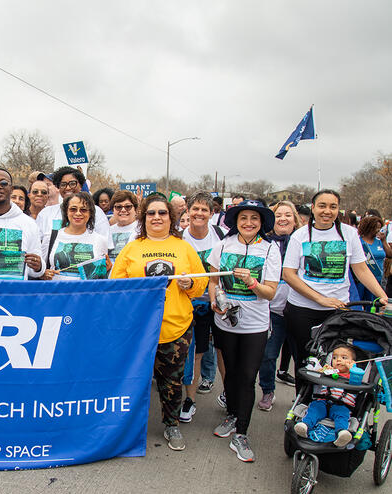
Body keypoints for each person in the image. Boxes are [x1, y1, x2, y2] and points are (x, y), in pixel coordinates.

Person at [111, 195, 207, 451]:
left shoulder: (184, 248)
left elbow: (200, 285)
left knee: (172, 381)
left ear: (170, 217)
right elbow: (116, 286)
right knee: (133, 379)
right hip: (138, 329)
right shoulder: (132, 249)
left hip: (176, 327)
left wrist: (190, 284)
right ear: (143, 218)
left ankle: (171, 424)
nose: (156, 217)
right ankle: (127, 426)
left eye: (162, 213)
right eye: (151, 213)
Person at [283, 190, 388, 394]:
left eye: (332, 206)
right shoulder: (300, 235)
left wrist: (381, 295)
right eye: (322, 206)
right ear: (313, 208)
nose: (327, 211)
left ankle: (330, 404)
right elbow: (289, 274)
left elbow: (361, 269)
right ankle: (302, 407)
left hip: (338, 310)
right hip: (303, 310)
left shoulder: (349, 233)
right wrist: (320, 299)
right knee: (307, 363)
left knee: (336, 362)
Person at [208, 199, 281, 462]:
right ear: (235, 221)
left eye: (254, 218)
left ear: (262, 223)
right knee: (229, 371)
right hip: (225, 322)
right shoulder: (222, 245)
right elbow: (213, 279)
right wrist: (215, 301)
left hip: (255, 325)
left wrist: (251, 282)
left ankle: (242, 433)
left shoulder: (271, 250)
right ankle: (232, 414)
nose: (249, 223)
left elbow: (270, 292)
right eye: (243, 218)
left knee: (248, 376)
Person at [180, 192, 225, 421]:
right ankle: (190, 400)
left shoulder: (220, 236)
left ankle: (230, 395)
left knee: (222, 350)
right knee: (194, 354)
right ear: (188, 211)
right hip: (189, 304)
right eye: (195, 209)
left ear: (211, 213)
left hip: (216, 302)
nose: (199, 213)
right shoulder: (179, 238)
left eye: (204, 210)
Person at [256, 201, 302, 411]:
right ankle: (267, 390)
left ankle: (303, 398)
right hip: (273, 310)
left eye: (288, 215)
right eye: (279, 215)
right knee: (268, 355)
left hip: (299, 310)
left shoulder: (303, 241)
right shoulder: (264, 244)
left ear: (295, 219)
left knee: (303, 357)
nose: (283, 219)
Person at [294, 344, 357, 447]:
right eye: (335, 357)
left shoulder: (353, 376)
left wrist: (353, 370)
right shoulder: (328, 371)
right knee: (314, 409)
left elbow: (357, 383)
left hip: (341, 405)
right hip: (323, 401)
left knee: (341, 415)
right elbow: (316, 377)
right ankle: (305, 425)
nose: (338, 360)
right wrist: (321, 372)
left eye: (344, 358)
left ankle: (341, 433)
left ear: (352, 362)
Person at [41, 192, 111, 279]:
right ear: (66, 212)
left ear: (90, 213)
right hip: (57, 291)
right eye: (73, 209)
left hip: (86, 291)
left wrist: (107, 270)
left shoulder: (100, 240)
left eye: (83, 210)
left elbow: (100, 276)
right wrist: (44, 273)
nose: (78, 213)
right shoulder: (51, 237)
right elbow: (41, 269)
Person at [36, 167, 110, 242]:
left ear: (81, 185)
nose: (68, 188)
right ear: (58, 187)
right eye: (63, 184)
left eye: (72, 184)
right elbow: (37, 244)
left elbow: (104, 242)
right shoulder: (46, 214)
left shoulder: (96, 212)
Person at [354, 215, 392, 302]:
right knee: (360, 301)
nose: (378, 230)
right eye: (376, 228)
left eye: (379, 228)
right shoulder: (359, 242)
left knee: (374, 303)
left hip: (378, 278)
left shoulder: (379, 241)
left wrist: (383, 240)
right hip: (361, 279)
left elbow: (389, 254)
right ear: (369, 228)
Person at [107, 190, 139, 264]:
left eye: (128, 207)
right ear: (113, 210)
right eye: (118, 207)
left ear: (135, 209)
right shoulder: (107, 231)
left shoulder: (143, 230)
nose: (123, 210)